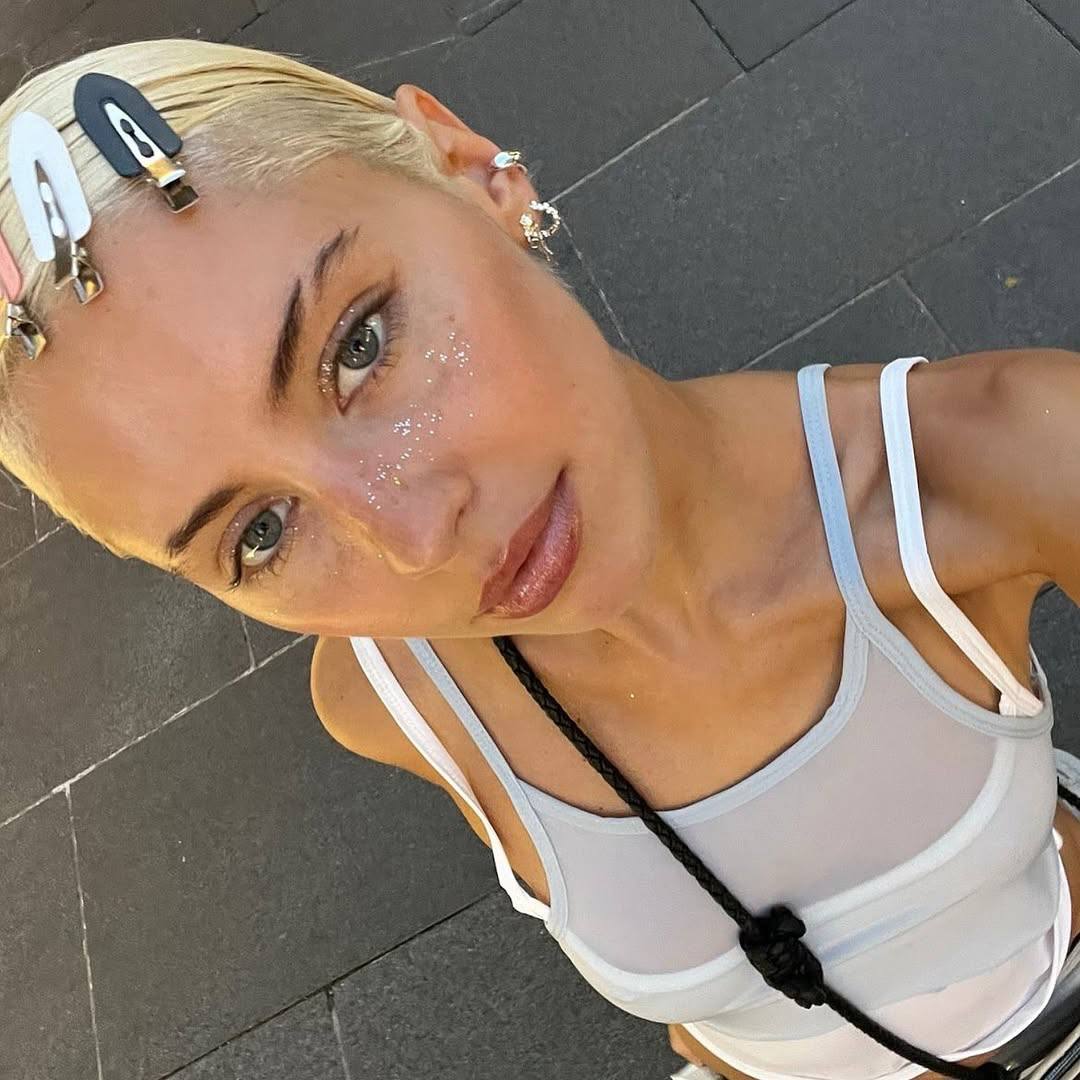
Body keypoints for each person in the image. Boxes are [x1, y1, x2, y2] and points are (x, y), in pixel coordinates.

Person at [2, 37, 1079, 1080]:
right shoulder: (388, 703)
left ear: (473, 170)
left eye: (360, 347)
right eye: (262, 532)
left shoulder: (1016, 458)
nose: (416, 540)